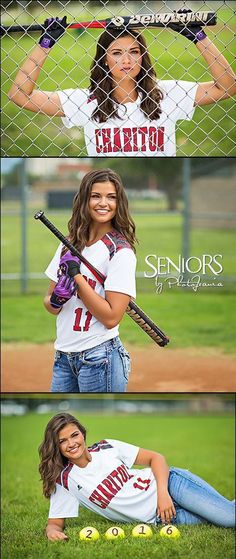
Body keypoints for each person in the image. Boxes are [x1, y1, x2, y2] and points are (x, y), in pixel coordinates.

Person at [8, 11, 236, 157]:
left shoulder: (167, 93)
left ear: (142, 57)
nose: (127, 60)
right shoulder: (85, 101)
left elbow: (227, 87)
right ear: (104, 60)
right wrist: (45, 44)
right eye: (117, 53)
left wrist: (199, 38)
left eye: (133, 52)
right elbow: (19, 95)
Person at [38, 413, 235, 541]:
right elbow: (55, 523)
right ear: (57, 447)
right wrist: (52, 532)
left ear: (82, 434)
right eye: (62, 441)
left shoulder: (107, 447)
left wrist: (163, 495)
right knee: (222, 516)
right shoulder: (65, 480)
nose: (71, 443)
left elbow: (156, 458)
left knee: (229, 518)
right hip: (163, 519)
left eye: (74, 435)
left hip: (171, 485)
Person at [44, 168, 137, 393]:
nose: (103, 203)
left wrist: (77, 276)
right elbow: (49, 303)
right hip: (63, 357)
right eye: (96, 196)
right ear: (85, 199)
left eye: (111, 197)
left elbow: (112, 317)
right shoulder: (70, 242)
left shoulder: (120, 252)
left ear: (119, 203)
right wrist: (57, 299)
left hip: (100, 356)